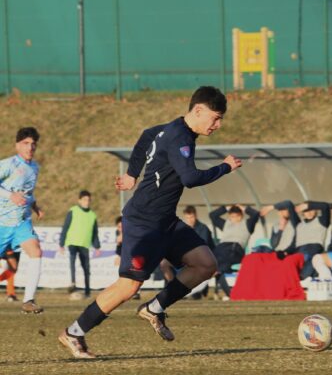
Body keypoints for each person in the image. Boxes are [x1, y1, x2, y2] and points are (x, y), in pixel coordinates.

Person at [59, 86, 242, 359]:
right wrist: (224, 167)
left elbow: (147, 136)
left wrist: (132, 174)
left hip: (166, 220)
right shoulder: (180, 136)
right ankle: (74, 331)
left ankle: (154, 308)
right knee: (128, 286)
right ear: (198, 110)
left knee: (206, 264)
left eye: (220, 119)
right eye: (215, 118)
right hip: (144, 222)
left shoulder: (172, 129)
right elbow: (190, 178)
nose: (218, 125)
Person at [0, 127, 45, 314]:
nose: (30, 147)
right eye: (26, 143)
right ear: (17, 145)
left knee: (36, 251)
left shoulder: (35, 167)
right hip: (2, 221)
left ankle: (28, 301)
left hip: (21, 222)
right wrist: (10, 196)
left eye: (33, 144)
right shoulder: (8, 164)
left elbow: (28, 191)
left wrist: (34, 206)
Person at [209, 204, 259, 298]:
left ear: (241, 215)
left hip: (235, 249)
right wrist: (226, 207)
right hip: (221, 248)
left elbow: (256, 214)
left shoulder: (247, 224)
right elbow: (212, 215)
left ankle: (230, 294)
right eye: (232, 216)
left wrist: (243, 208)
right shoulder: (226, 224)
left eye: (237, 216)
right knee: (214, 265)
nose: (234, 219)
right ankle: (230, 295)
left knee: (220, 267)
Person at [59, 190, 101, 297]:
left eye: (88, 200)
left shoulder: (92, 215)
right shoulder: (73, 211)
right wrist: (61, 243)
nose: (86, 202)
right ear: (79, 201)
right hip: (72, 242)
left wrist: (97, 246)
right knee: (72, 262)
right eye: (84, 200)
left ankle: (87, 290)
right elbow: (65, 227)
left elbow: (95, 232)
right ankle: (73, 283)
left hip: (84, 244)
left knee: (86, 267)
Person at [160, 205, 214, 287]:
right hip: (184, 256)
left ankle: (180, 288)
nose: (190, 220)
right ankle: (173, 287)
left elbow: (203, 247)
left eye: (191, 217)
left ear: (196, 216)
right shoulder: (181, 228)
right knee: (164, 263)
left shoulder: (203, 228)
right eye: (187, 218)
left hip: (199, 257)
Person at [291, 201, 331, 280]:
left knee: (308, 256)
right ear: (303, 213)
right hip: (299, 249)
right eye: (306, 211)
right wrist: (295, 209)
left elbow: (325, 206)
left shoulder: (322, 221)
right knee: (291, 260)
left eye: (311, 210)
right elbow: (289, 207)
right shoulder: (298, 224)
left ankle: (302, 278)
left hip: (314, 246)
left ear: (315, 210)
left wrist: (308, 205)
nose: (309, 213)